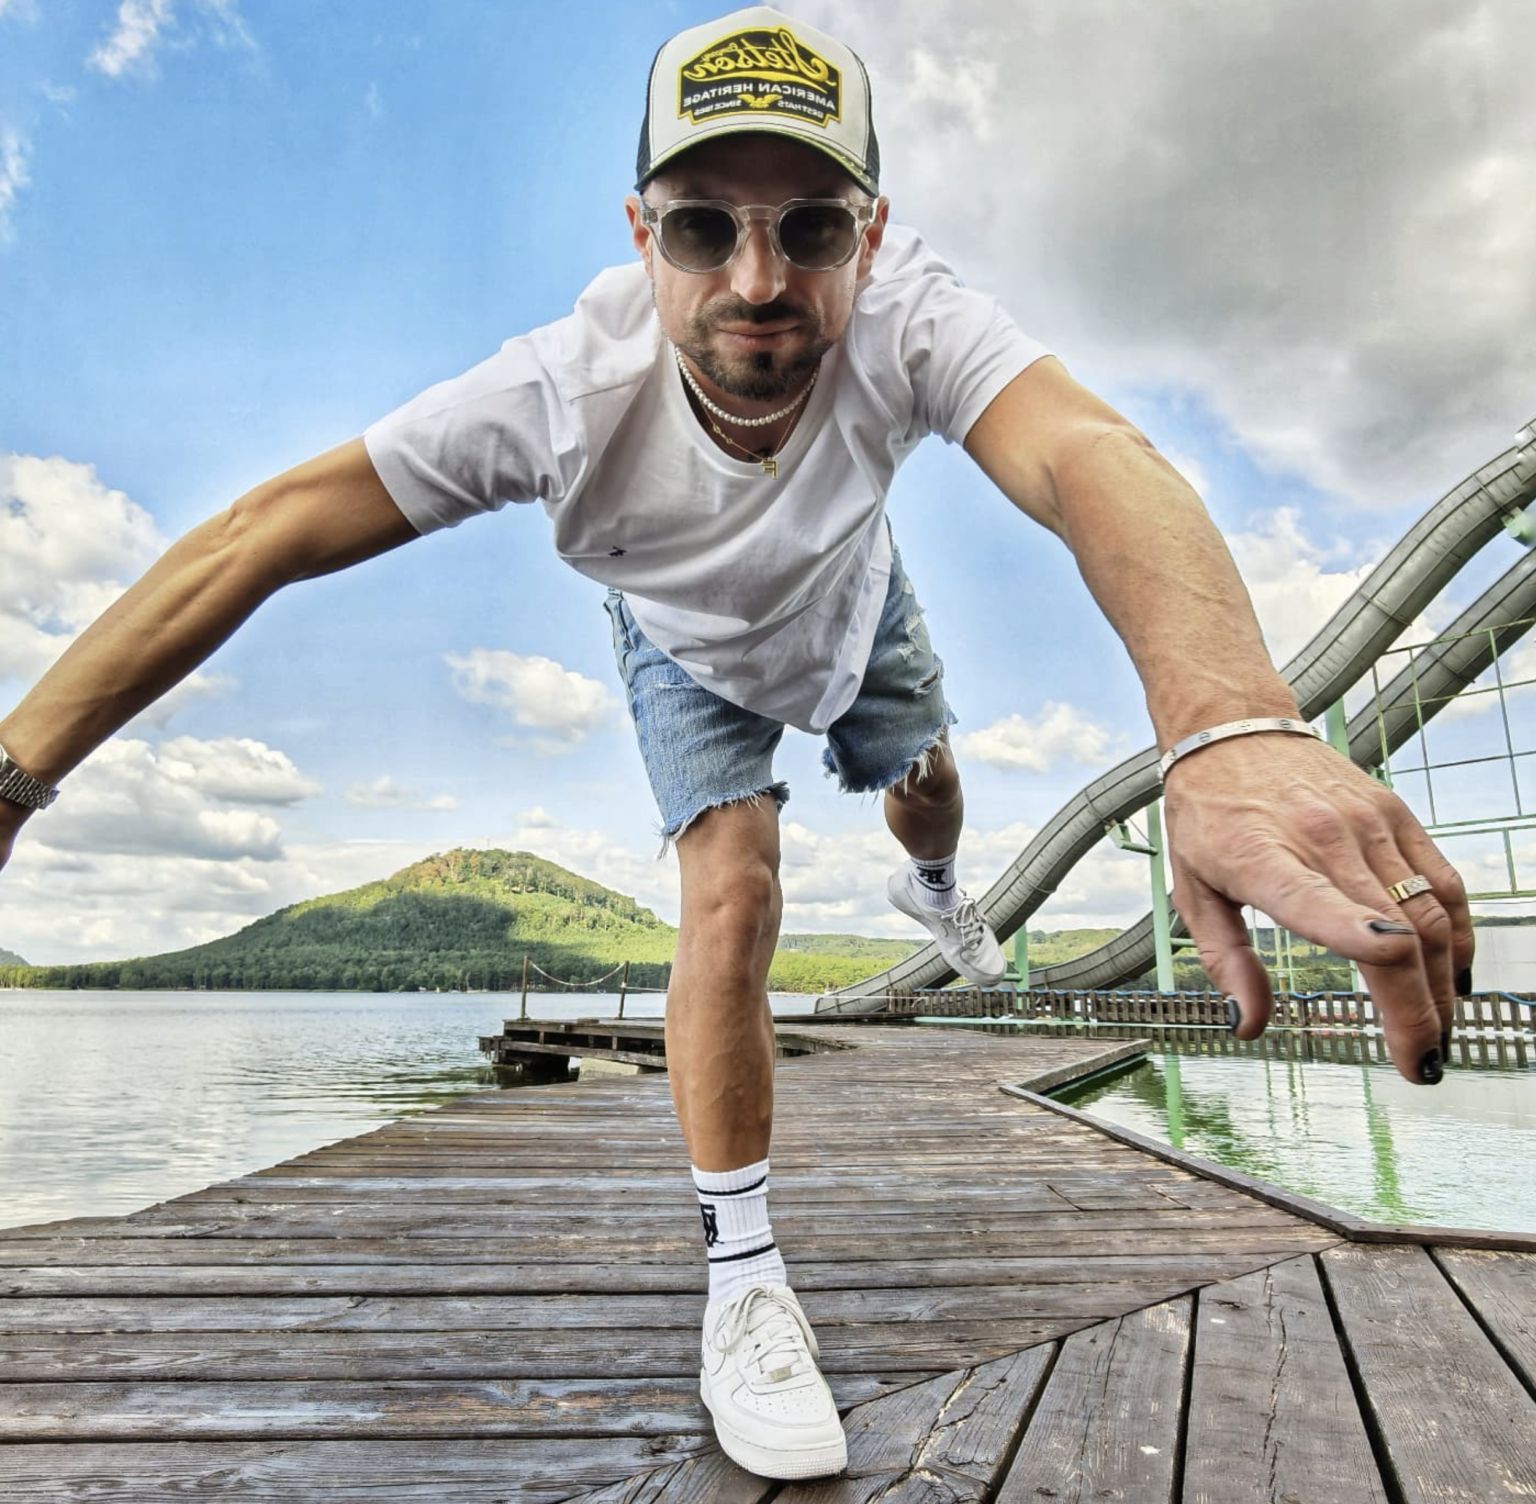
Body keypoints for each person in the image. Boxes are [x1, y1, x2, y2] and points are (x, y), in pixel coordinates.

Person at [0, 5, 1473, 1483]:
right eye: (704, 226)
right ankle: (747, 1280)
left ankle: (935, 891)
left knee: (932, 790)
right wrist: (11, 782)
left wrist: (1227, 722)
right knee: (736, 893)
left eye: (810, 228)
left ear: (870, 236)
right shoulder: (557, 394)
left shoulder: (912, 313)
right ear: (642, 234)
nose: (759, 281)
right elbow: (259, 535)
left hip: (855, 598)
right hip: (683, 646)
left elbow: (1090, 452)